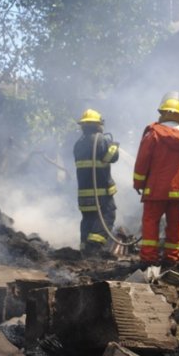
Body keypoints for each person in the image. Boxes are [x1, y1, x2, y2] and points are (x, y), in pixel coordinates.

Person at [133, 92, 179, 269]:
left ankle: (148, 260)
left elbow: (142, 161)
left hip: (156, 189)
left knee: (150, 222)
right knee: (175, 223)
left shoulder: (153, 133)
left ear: (162, 112)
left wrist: (138, 183)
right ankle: (171, 259)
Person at [73, 108, 119, 253]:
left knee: (88, 219)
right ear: (98, 124)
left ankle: (84, 248)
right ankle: (94, 247)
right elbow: (111, 158)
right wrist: (114, 147)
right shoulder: (102, 140)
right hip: (101, 193)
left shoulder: (78, 144)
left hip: (84, 193)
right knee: (106, 217)